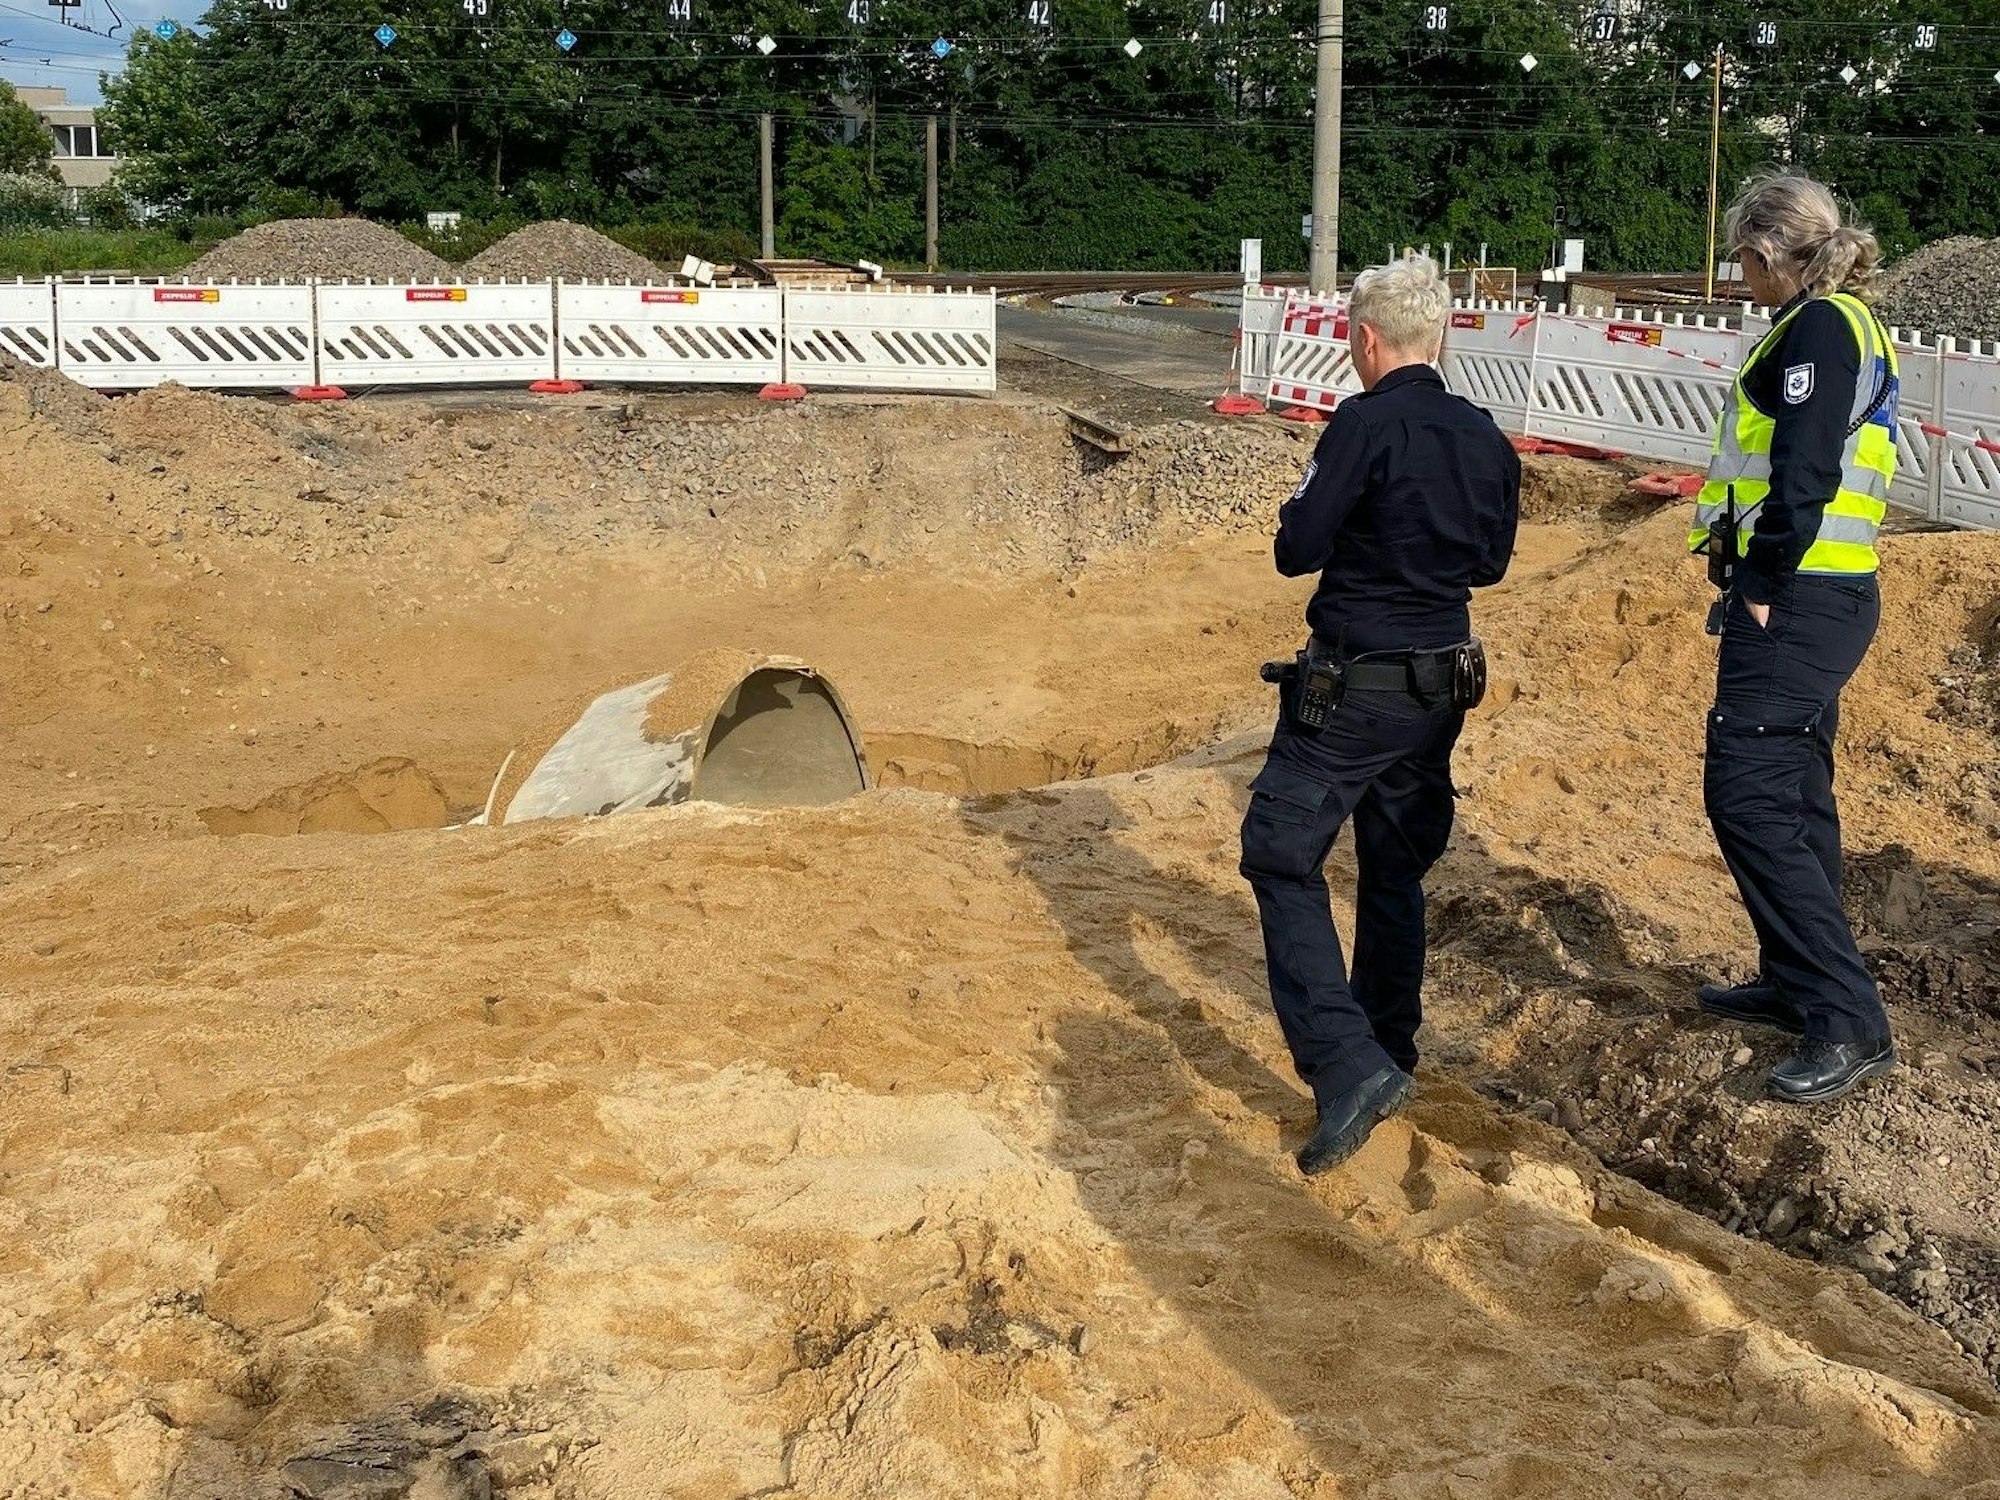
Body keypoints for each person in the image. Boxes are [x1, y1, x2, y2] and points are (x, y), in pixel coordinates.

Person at [1240, 253, 1519, 1176]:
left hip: (1353, 685)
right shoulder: (1484, 434)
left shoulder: (1361, 425)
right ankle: (1389, 1043)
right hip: (1439, 685)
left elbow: (1296, 547)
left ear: (1365, 340)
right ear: (1440, 337)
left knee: (1279, 852)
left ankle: (1347, 1063)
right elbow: (1490, 563)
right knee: (1395, 868)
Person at [1690, 173, 1901, 1102]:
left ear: (1767, 251)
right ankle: (1795, 980)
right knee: (1797, 790)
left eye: (1742, 260)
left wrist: (1764, 582)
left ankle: (1846, 1018)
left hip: (1801, 596)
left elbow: (1803, 468)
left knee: (1748, 791)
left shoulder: (1817, 328)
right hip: (1830, 592)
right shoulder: (1844, 323)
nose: (1741, 277)